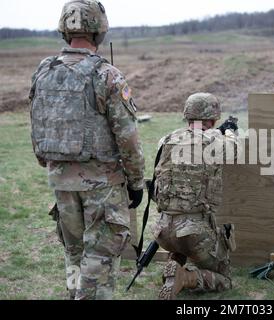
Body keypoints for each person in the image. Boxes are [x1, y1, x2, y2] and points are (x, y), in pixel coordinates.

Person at [29, 0, 146, 300]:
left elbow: (36, 124)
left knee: (74, 252)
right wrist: (135, 182)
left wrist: (51, 163)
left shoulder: (44, 71)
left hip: (60, 181)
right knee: (101, 257)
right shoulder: (106, 74)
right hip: (102, 185)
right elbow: (128, 138)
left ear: (64, 30)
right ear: (99, 31)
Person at [151, 93, 238, 300]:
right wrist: (230, 132)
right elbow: (234, 150)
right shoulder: (216, 141)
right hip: (194, 233)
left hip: (162, 231)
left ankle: (175, 264)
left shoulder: (166, 139)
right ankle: (184, 278)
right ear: (213, 119)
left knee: (182, 242)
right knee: (224, 279)